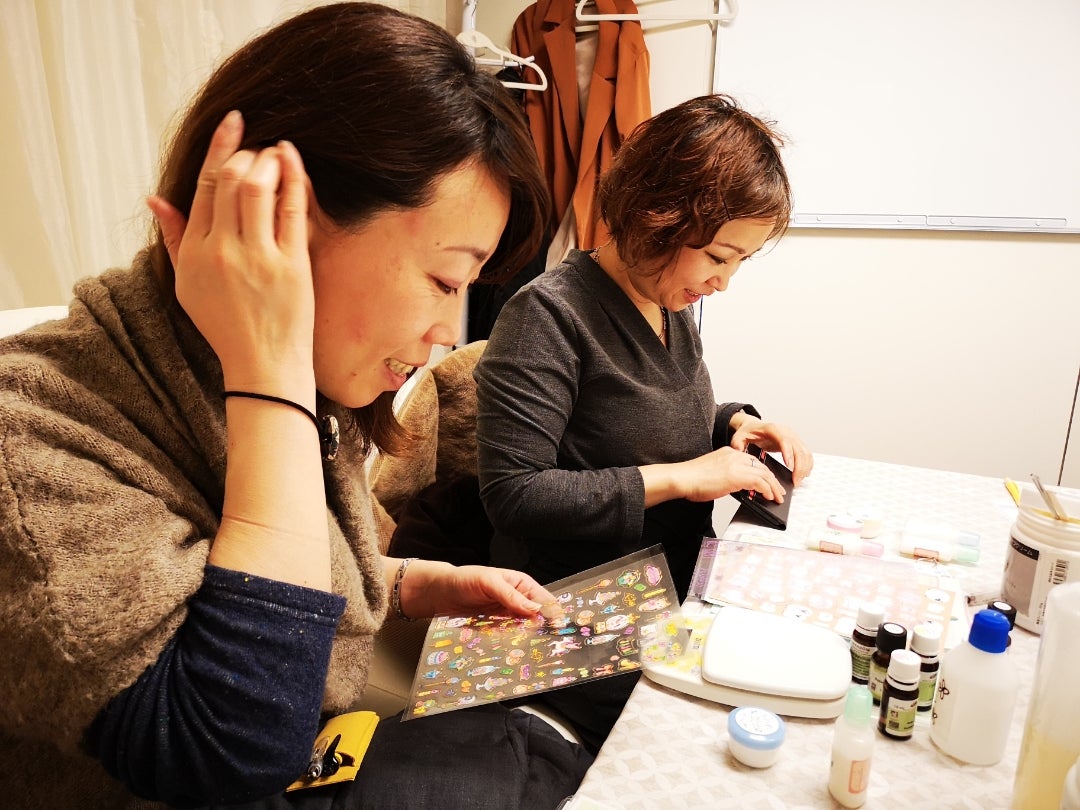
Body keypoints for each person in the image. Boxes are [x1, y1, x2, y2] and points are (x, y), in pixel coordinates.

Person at [0, 4, 593, 808]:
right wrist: (269, 372)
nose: (447, 332)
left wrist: (412, 583)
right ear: (282, 222)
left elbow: (218, 569)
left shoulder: (297, 386)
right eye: (444, 279)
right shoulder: (30, 436)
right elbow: (230, 746)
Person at [474, 93, 814, 752]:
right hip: (575, 612)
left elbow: (650, 418)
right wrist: (685, 478)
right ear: (656, 218)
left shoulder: (668, 306)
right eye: (717, 256)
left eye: (739, 261)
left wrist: (734, 425)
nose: (723, 282)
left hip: (673, 586)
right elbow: (515, 494)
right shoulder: (547, 316)